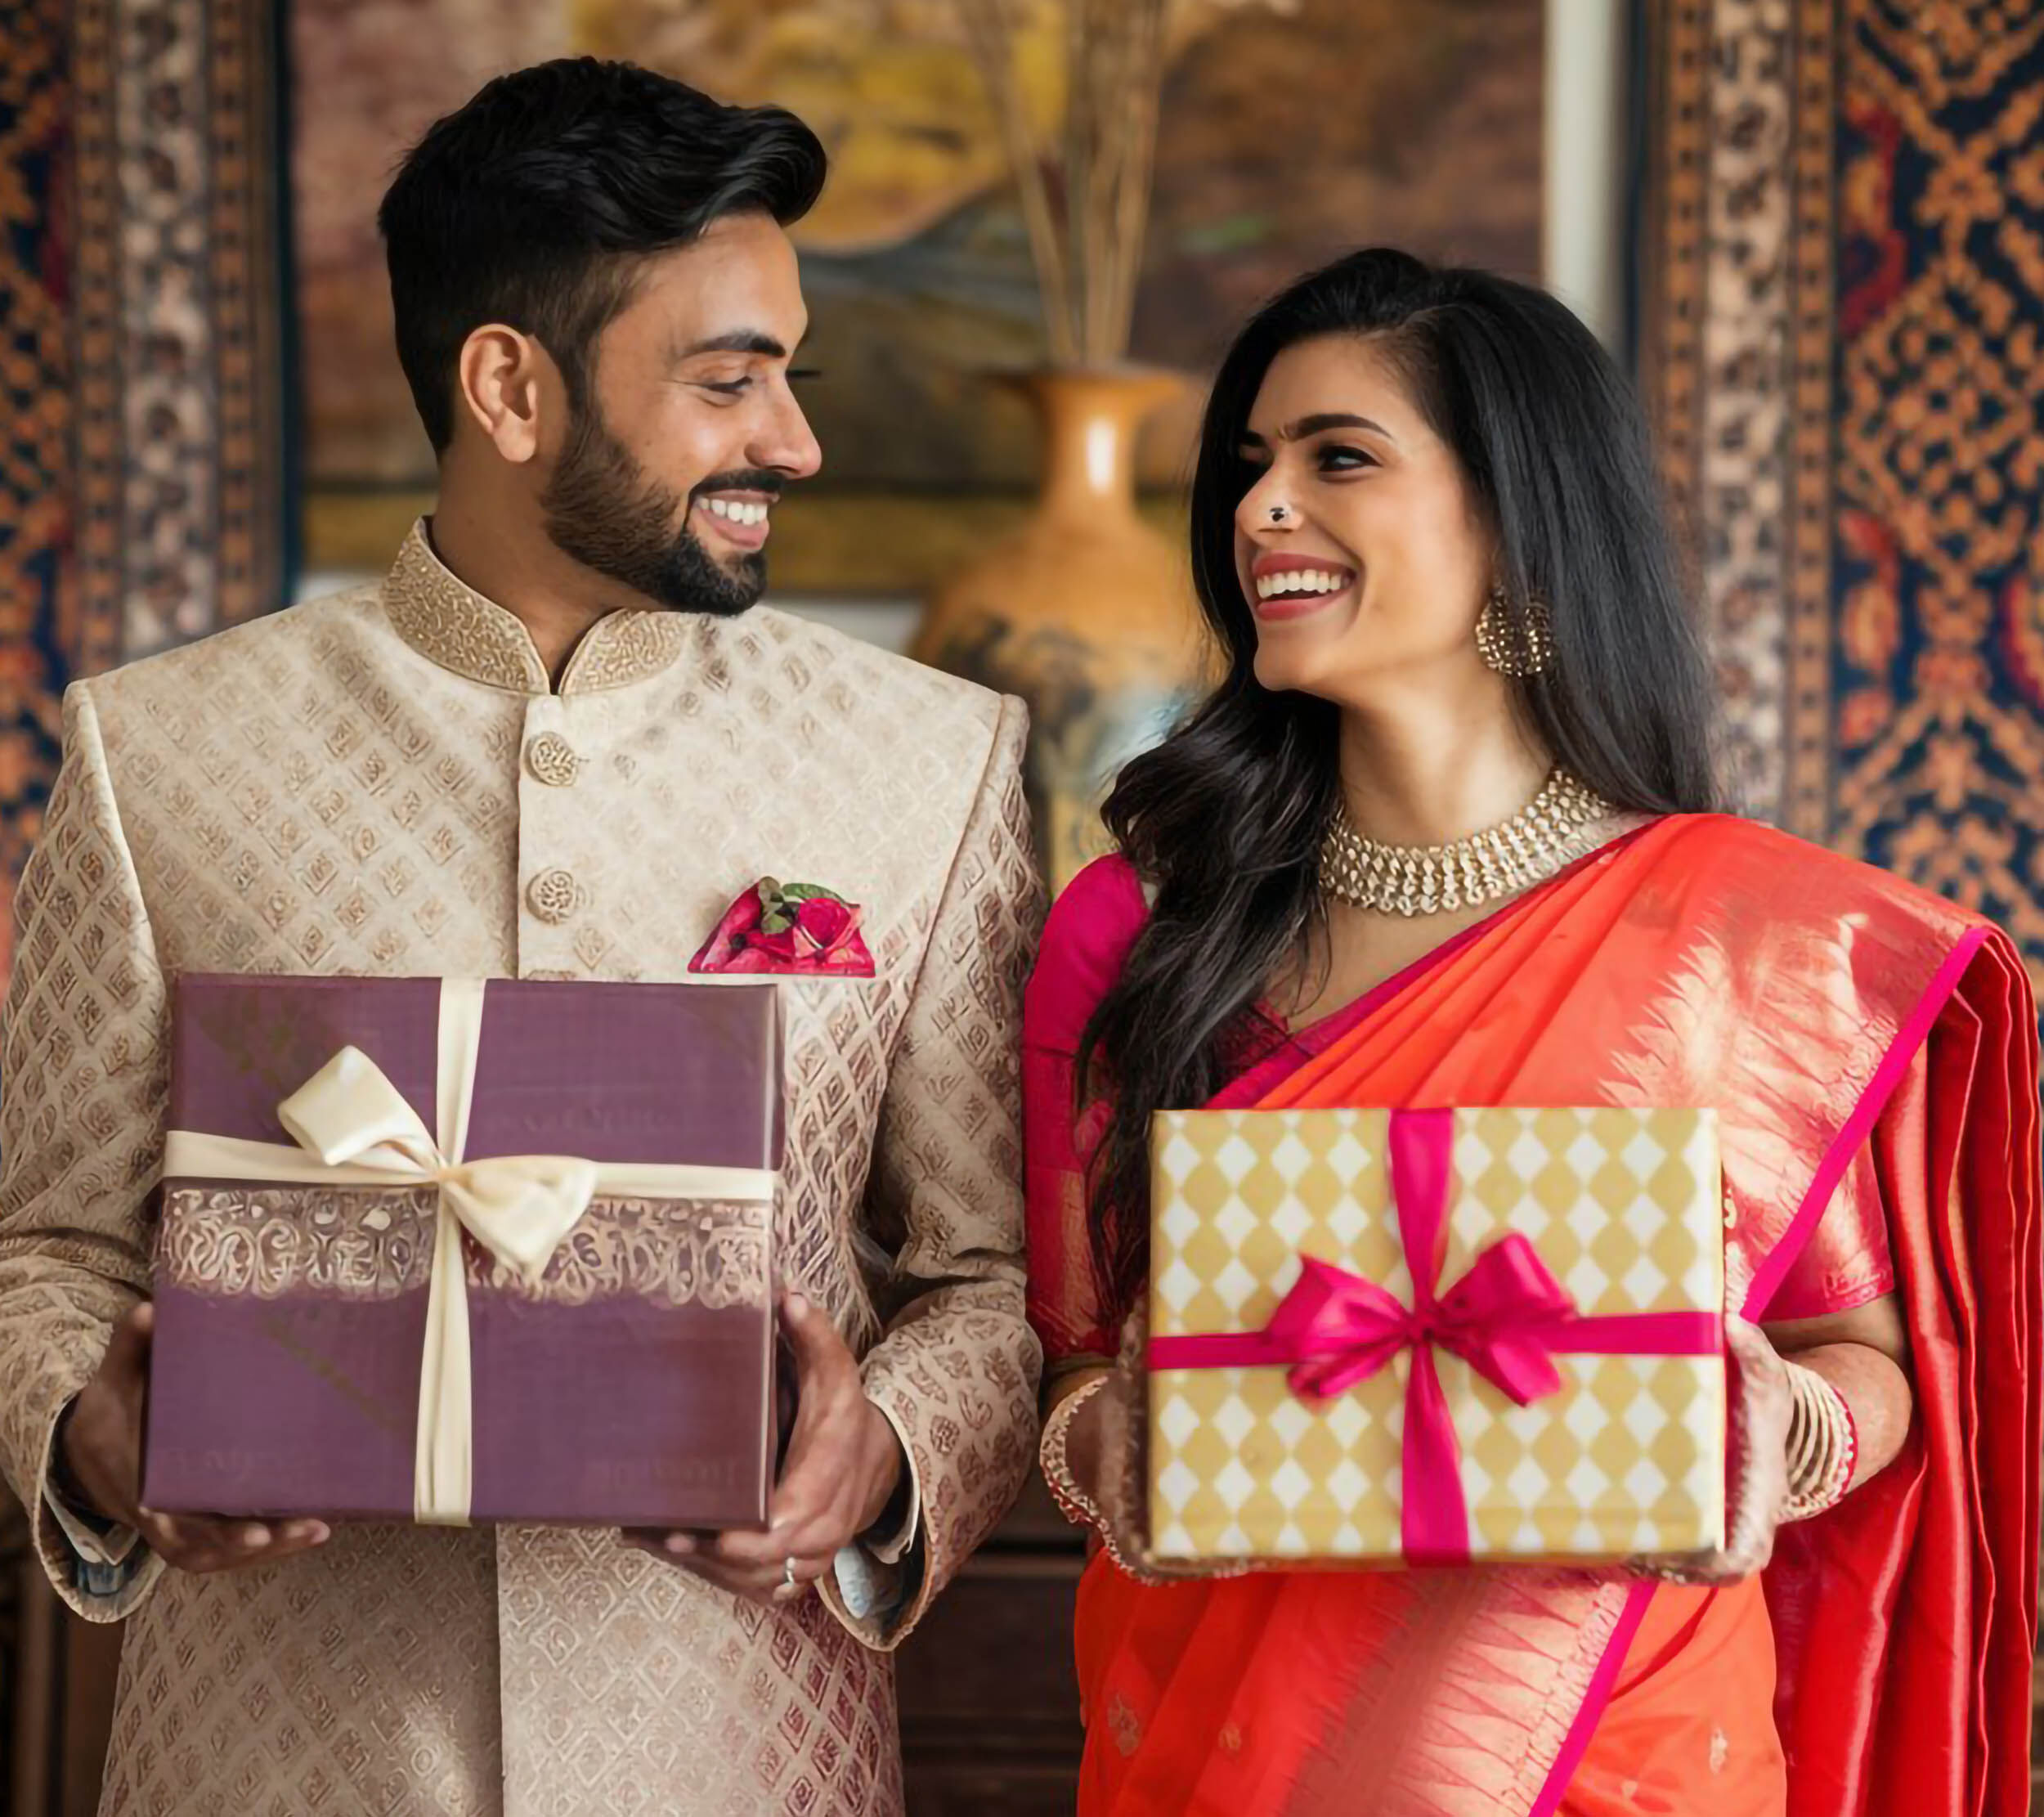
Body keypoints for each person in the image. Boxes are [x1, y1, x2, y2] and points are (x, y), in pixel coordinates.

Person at [0, 59, 1044, 1816]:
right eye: (730, 380)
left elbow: (988, 1282)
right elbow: (40, 1245)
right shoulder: (151, 753)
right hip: (270, 1759)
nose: (791, 439)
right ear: (508, 385)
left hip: (736, 1757)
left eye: (789, 372)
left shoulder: (932, 764)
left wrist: (885, 1451)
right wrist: (94, 1429)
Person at [1023, 248, 2038, 1817]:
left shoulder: (1746, 941)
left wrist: (1781, 1433)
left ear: (1514, 522)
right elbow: (1083, 1364)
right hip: (1232, 1740)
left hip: (1624, 1745)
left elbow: (1870, 1354)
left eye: (1335, 459)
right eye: (1251, 469)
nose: (1259, 511)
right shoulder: (1145, 930)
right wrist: (1123, 1452)